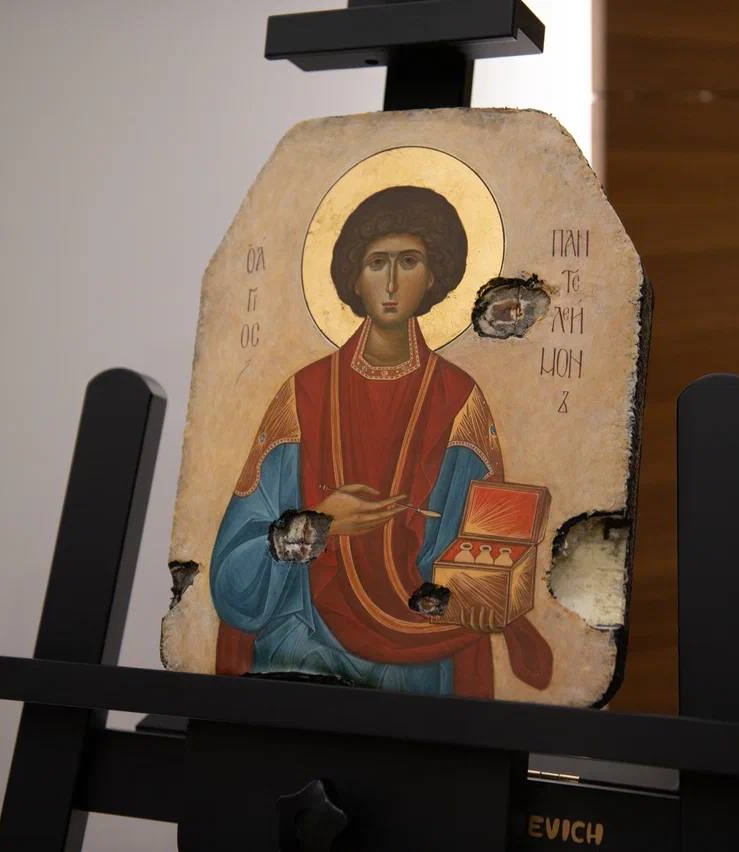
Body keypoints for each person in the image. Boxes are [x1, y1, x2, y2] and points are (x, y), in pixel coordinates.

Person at [210, 185, 552, 698]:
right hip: (301, 638)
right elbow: (233, 575)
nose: (391, 283)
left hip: (418, 648)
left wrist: (485, 588)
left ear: (433, 275)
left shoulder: (458, 399)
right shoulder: (304, 395)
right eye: (376, 263)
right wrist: (317, 525)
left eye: (408, 262)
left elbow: (485, 546)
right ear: (355, 278)